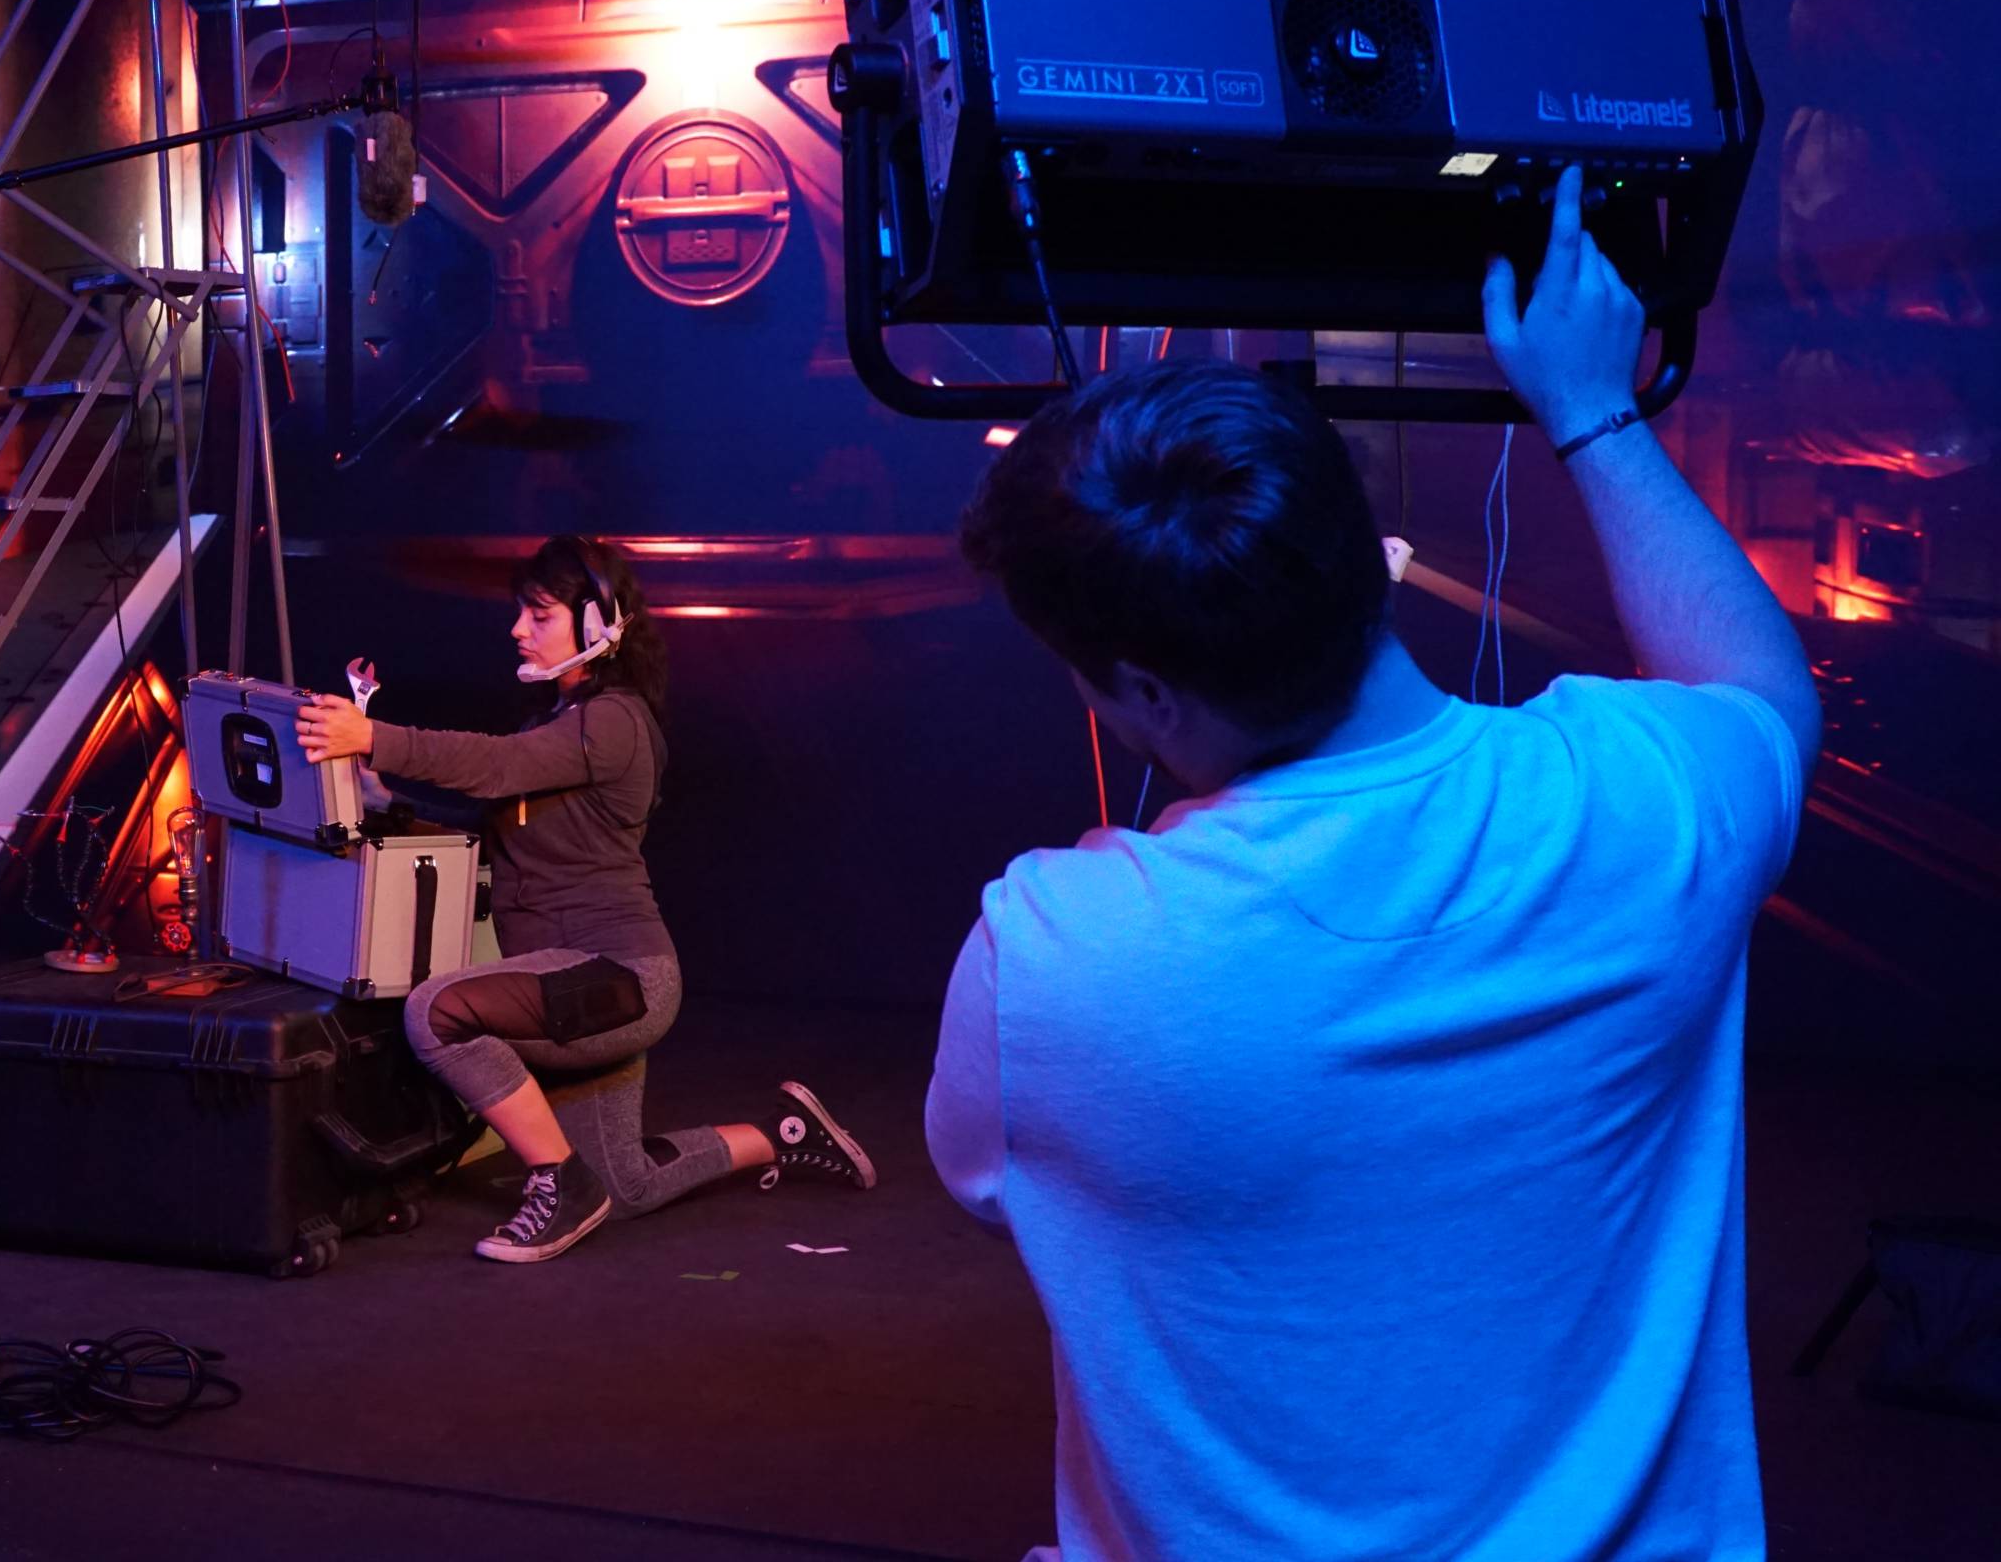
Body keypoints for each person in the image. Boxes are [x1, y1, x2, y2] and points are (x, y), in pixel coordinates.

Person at [927, 169, 1816, 1560]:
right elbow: (1761, 680)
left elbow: (992, 1187)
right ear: (1376, 561)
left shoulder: (1050, 960)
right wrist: (1593, 406)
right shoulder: (1645, 810)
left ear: (1146, 695)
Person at [295, 535, 877, 1264]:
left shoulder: (614, 721)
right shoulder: (555, 727)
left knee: (436, 1012)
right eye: (519, 614)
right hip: (579, 987)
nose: (517, 629)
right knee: (625, 1188)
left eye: (538, 614)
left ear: (599, 622)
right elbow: (493, 823)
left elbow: (493, 766)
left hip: (618, 978)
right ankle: (782, 1134)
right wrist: (389, 796)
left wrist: (375, 737)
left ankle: (558, 1183)